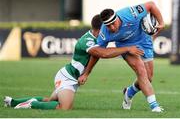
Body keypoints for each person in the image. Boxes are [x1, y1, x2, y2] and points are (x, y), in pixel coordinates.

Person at [4, 14, 143, 110]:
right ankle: (31, 105)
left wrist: (86, 73)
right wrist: (127, 49)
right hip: (67, 78)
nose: (111, 29)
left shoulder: (99, 39)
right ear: (101, 29)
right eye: (107, 26)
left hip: (71, 78)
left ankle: (12, 102)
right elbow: (102, 54)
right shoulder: (87, 41)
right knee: (64, 108)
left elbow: (98, 56)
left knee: (49, 101)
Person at [78, 1, 164, 112]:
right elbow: (97, 53)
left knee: (149, 77)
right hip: (125, 45)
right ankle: (154, 106)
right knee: (141, 70)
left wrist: (161, 23)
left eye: (113, 24)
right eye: (108, 26)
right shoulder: (104, 33)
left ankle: (129, 92)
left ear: (117, 18)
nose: (112, 28)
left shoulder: (131, 14)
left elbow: (151, 5)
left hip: (144, 40)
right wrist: (86, 73)